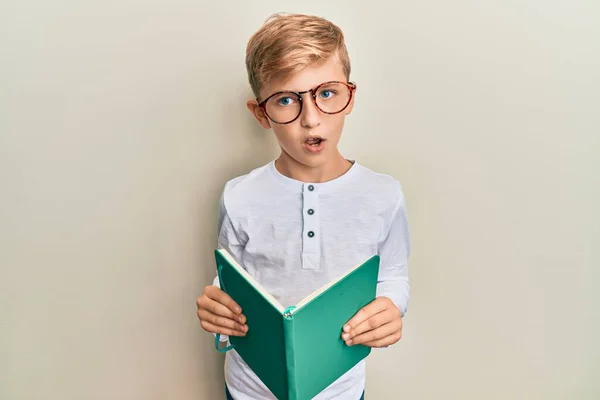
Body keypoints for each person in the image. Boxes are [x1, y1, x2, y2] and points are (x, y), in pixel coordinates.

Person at [196, 13, 411, 400]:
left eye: (326, 93)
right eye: (285, 100)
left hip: (341, 390)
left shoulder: (384, 195)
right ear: (261, 113)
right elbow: (231, 282)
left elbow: (394, 277)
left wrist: (392, 308)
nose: (311, 121)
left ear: (350, 96)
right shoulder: (238, 196)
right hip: (249, 390)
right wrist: (218, 309)